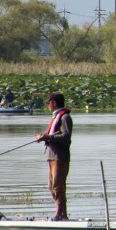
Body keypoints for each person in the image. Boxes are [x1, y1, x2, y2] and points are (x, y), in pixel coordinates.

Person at [36, 92, 72, 220]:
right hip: (51, 156)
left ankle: (60, 213)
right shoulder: (55, 117)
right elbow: (51, 134)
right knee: (51, 186)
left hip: (60, 157)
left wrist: (49, 137)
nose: (47, 106)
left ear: (54, 103)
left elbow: (66, 137)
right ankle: (63, 214)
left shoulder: (65, 118)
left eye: (48, 103)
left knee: (58, 185)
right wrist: (42, 137)